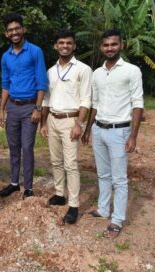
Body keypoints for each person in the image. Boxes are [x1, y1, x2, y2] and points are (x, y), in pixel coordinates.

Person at [81, 29, 144, 237]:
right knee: (103, 174)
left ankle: (117, 220)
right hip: (99, 129)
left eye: (114, 44)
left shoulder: (132, 71)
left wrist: (133, 136)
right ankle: (103, 209)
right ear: (101, 47)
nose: (110, 48)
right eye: (106, 45)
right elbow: (95, 105)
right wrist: (88, 129)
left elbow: (138, 104)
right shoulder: (98, 73)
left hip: (120, 131)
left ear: (121, 45)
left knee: (119, 179)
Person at [40, 29, 92, 224]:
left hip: (72, 120)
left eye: (69, 43)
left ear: (74, 46)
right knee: (55, 161)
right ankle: (60, 194)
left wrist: (79, 123)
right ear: (56, 46)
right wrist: (43, 122)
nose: (65, 46)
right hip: (53, 118)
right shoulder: (50, 71)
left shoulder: (83, 69)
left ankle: (74, 205)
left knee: (71, 164)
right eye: (61, 43)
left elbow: (86, 99)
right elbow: (46, 98)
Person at [0, 13, 48, 199]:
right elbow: (5, 84)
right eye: (10, 30)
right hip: (12, 106)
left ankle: (28, 187)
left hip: (29, 108)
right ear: (6, 34)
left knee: (27, 147)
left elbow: (42, 82)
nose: (14, 32)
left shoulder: (35, 51)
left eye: (17, 28)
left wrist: (38, 108)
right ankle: (13, 182)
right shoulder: (5, 56)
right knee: (13, 146)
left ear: (23, 30)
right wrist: (2, 109)